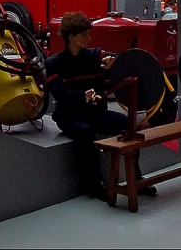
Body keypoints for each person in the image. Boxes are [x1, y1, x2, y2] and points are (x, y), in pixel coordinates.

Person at [44, 11, 156, 199]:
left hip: (94, 112)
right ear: (71, 37)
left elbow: (117, 57)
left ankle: (136, 179)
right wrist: (83, 95)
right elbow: (60, 94)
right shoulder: (54, 63)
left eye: (89, 33)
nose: (89, 38)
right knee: (86, 132)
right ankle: (94, 185)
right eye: (85, 35)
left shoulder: (95, 55)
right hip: (70, 116)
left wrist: (114, 63)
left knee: (130, 125)